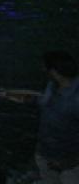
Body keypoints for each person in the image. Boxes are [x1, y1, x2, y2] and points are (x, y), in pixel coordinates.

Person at [22, 51, 79, 182]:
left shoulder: (76, 100)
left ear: (54, 72)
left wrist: (71, 162)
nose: (43, 70)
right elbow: (46, 103)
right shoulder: (52, 85)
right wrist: (28, 100)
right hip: (45, 155)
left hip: (70, 164)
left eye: (45, 68)